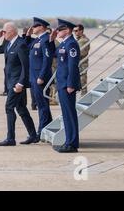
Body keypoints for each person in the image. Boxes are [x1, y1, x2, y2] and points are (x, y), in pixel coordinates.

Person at [0, 22, 38, 146]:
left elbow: (25, 66)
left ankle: (10, 138)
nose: (3, 33)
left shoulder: (21, 44)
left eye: (5, 32)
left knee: (9, 107)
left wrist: (21, 83)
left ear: (12, 32)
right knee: (21, 109)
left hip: (17, 83)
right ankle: (33, 135)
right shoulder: (8, 43)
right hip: (11, 82)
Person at [50, 19, 81, 153]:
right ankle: (68, 141)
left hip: (67, 84)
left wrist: (71, 84)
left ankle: (72, 143)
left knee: (70, 114)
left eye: (60, 29)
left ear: (67, 30)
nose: (57, 31)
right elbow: (54, 55)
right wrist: (51, 40)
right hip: (62, 83)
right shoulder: (64, 44)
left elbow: (72, 66)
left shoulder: (71, 44)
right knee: (66, 114)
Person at [25, 18, 53, 139]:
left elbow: (47, 60)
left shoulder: (46, 40)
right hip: (34, 77)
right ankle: (49, 126)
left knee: (42, 105)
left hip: (40, 78)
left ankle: (41, 131)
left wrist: (41, 76)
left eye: (35, 26)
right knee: (41, 103)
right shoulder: (38, 39)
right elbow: (28, 45)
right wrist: (27, 35)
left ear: (41, 27)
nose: (33, 28)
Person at [22, 27, 37, 110]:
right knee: (24, 86)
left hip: (30, 66)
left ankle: (34, 104)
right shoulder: (21, 40)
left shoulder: (34, 40)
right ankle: (28, 104)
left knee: (32, 86)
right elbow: (24, 45)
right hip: (25, 67)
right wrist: (27, 36)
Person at [74, 24, 90, 95]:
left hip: (82, 64)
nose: (75, 32)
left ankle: (84, 96)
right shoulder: (78, 40)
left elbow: (81, 53)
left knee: (82, 81)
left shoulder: (83, 40)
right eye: (74, 31)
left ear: (81, 31)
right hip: (78, 63)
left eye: (77, 31)